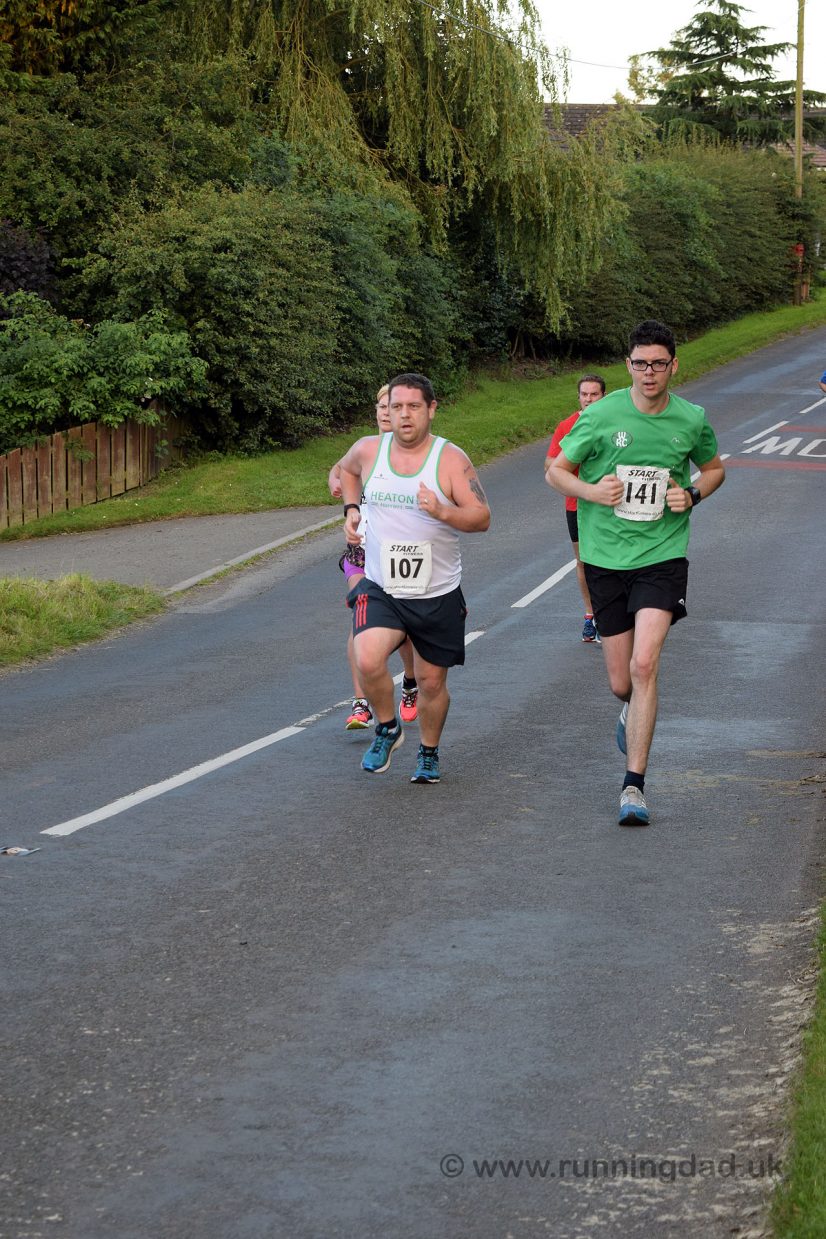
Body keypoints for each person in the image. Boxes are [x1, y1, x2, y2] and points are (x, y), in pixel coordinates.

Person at [545, 320, 725, 827]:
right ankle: (632, 708)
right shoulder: (601, 415)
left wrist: (690, 493)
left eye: (659, 363)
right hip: (605, 560)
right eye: (641, 363)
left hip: (663, 556)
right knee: (622, 681)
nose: (650, 372)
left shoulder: (691, 419)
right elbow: (556, 470)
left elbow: (713, 469)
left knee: (646, 665)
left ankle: (634, 786)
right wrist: (591, 492)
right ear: (629, 366)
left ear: (673, 365)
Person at [337, 372, 491, 782]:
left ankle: (428, 751)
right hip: (381, 586)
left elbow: (481, 517)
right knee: (366, 656)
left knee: (430, 682)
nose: (403, 415)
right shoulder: (369, 450)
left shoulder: (451, 460)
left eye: (413, 407)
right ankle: (388, 728)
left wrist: (443, 511)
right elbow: (347, 472)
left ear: (431, 410)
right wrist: (352, 510)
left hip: (436, 592)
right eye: (395, 407)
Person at [329, 385, 419, 730]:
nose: (385, 412)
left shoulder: (414, 452)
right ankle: (361, 702)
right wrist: (341, 491)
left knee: (404, 628)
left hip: (400, 553)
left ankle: (409, 683)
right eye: (381, 407)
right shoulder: (364, 448)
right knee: (360, 617)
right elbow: (338, 470)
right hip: (361, 550)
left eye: (391, 406)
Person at [545, 374, 606, 642]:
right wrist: (572, 468)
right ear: (579, 397)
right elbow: (549, 463)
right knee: (583, 561)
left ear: (603, 396)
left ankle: (610, 614)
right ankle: (590, 614)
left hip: (608, 502)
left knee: (608, 560)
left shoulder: (613, 424)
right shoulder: (567, 426)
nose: (589, 400)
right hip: (576, 504)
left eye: (594, 395)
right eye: (585, 395)